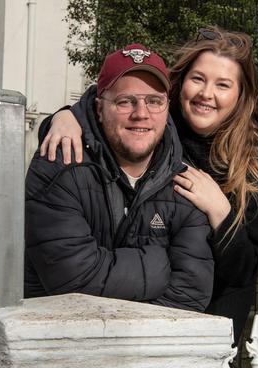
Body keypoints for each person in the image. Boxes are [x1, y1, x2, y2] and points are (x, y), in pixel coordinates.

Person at [39, 27, 258, 347]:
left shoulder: (254, 165)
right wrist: (66, 118)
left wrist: (220, 210)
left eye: (222, 85)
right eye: (198, 79)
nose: (206, 93)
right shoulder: (154, 126)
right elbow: (105, 106)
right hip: (124, 316)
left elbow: (245, 270)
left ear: (241, 95)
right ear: (180, 82)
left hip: (202, 334)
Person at [25, 44, 214, 312]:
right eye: (125, 101)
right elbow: (72, 276)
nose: (141, 113)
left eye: (154, 101)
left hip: (146, 350)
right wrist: (159, 267)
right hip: (59, 345)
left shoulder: (186, 186)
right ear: (99, 108)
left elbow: (190, 295)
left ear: (167, 107)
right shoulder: (60, 165)